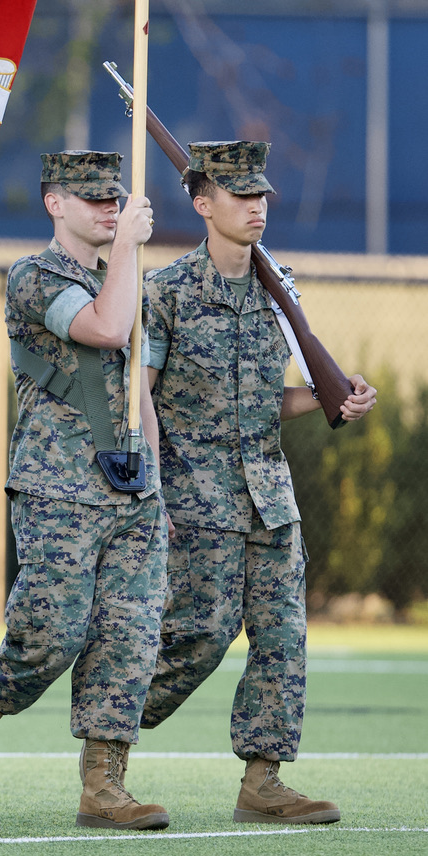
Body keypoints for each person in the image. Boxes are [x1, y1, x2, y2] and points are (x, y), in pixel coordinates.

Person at [140, 140, 377, 824]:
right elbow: (140, 398)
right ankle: (106, 726)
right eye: (240, 194)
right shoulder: (167, 292)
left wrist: (334, 396)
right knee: (198, 638)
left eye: (260, 194)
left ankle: (263, 781)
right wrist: (152, 493)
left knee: (283, 637)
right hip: (196, 498)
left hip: (269, 498)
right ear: (202, 203)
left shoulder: (278, 290)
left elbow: (264, 399)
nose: (256, 206)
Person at [0, 151, 170, 831]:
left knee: (128, 639)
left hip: (132, 490)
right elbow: (103, 328)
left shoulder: (125, 280)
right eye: (92, 198)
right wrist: (127, 249)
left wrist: (157, 482)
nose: (108, 208)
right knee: (50, 636)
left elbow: (138, 387)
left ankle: (104, 786)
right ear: (54, 203)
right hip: (60, 486)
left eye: (114, 198)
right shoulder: (33, 277)